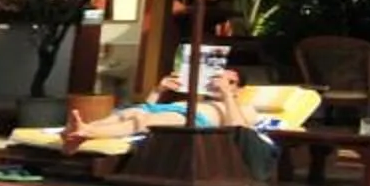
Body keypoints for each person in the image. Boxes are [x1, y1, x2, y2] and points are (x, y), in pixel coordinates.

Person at [64, 67, 276, 147]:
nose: (220, 83)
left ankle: (87, 132)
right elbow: (147, 107)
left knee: (143, 120)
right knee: (131, 112)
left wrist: (227, 96)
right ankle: (80, 130)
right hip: (166, 110)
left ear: (239, 89)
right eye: (218, 78)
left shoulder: (245, 108)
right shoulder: (197, 100)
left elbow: (237, 129)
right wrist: (158, 90)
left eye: (230, 81)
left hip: (190, 121)